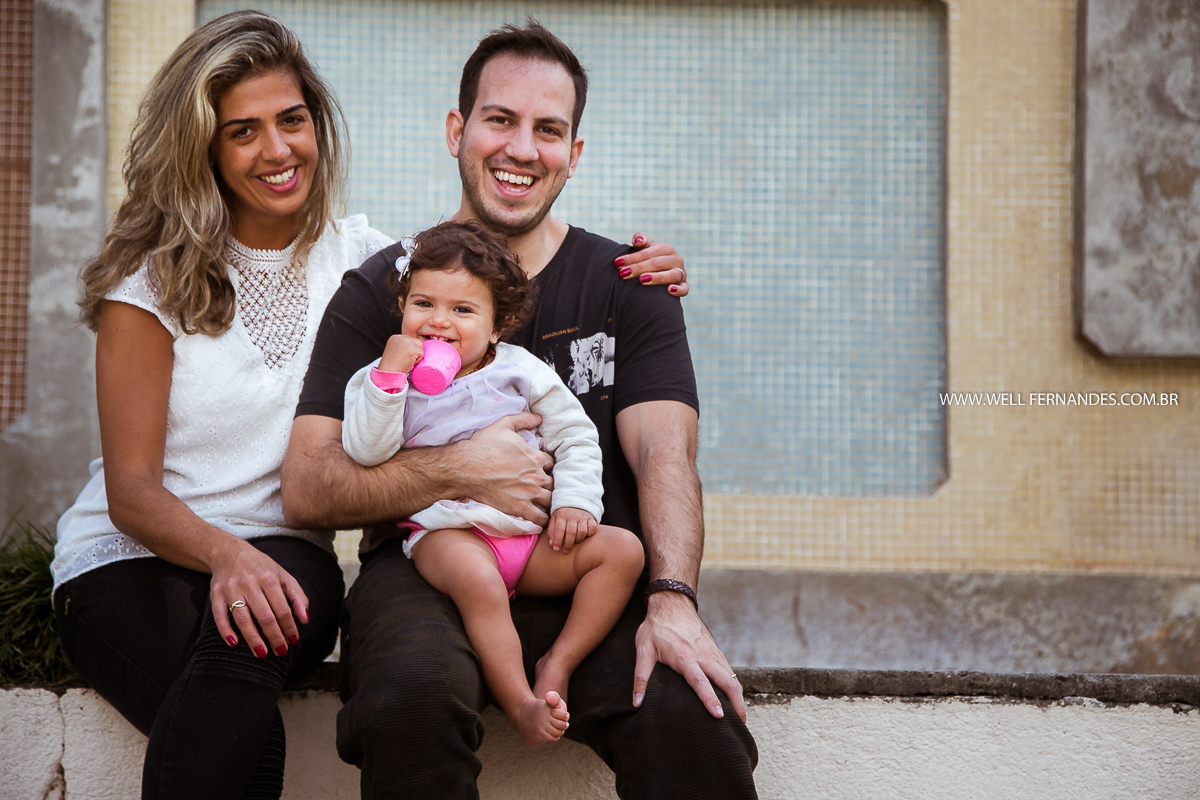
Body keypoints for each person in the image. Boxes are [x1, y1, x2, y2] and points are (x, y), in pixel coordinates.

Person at [51, 11, 683, 798]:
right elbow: (130, 490)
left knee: (237, 695)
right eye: (243, 131)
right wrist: (226, 555)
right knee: (243, 737)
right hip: (138, 559)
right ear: (203, 147)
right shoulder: (150, 286)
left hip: (287, 555)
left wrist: (640, 269)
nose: (277, 149)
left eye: (292, 121)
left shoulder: (364, 262)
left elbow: (471, 271)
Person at [283, 21, 759, 800]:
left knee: (690, 719)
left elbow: (664, 455)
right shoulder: (386, 292)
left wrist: (672, 599)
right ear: (457, 131)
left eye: (549, 129)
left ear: (574, 152)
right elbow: (307, 487)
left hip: (581, 567)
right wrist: (458, 470)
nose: (522, 149)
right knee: (409, 701)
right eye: (500, 119)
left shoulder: (630, 285)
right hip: (428, 569)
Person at [341, 219, 645, 748]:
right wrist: (388, 380)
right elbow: (366, 452)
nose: (439, 321)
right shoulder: (382, 379)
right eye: (423, 304)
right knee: (480, 585)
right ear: (403, 308)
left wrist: (575, 503)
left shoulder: (520, 370)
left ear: (497, 326)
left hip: (528, 541)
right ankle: (520, 701)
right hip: (449, 535)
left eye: (462, 310)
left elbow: (575, 435)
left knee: (623, 552)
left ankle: (559, 662)